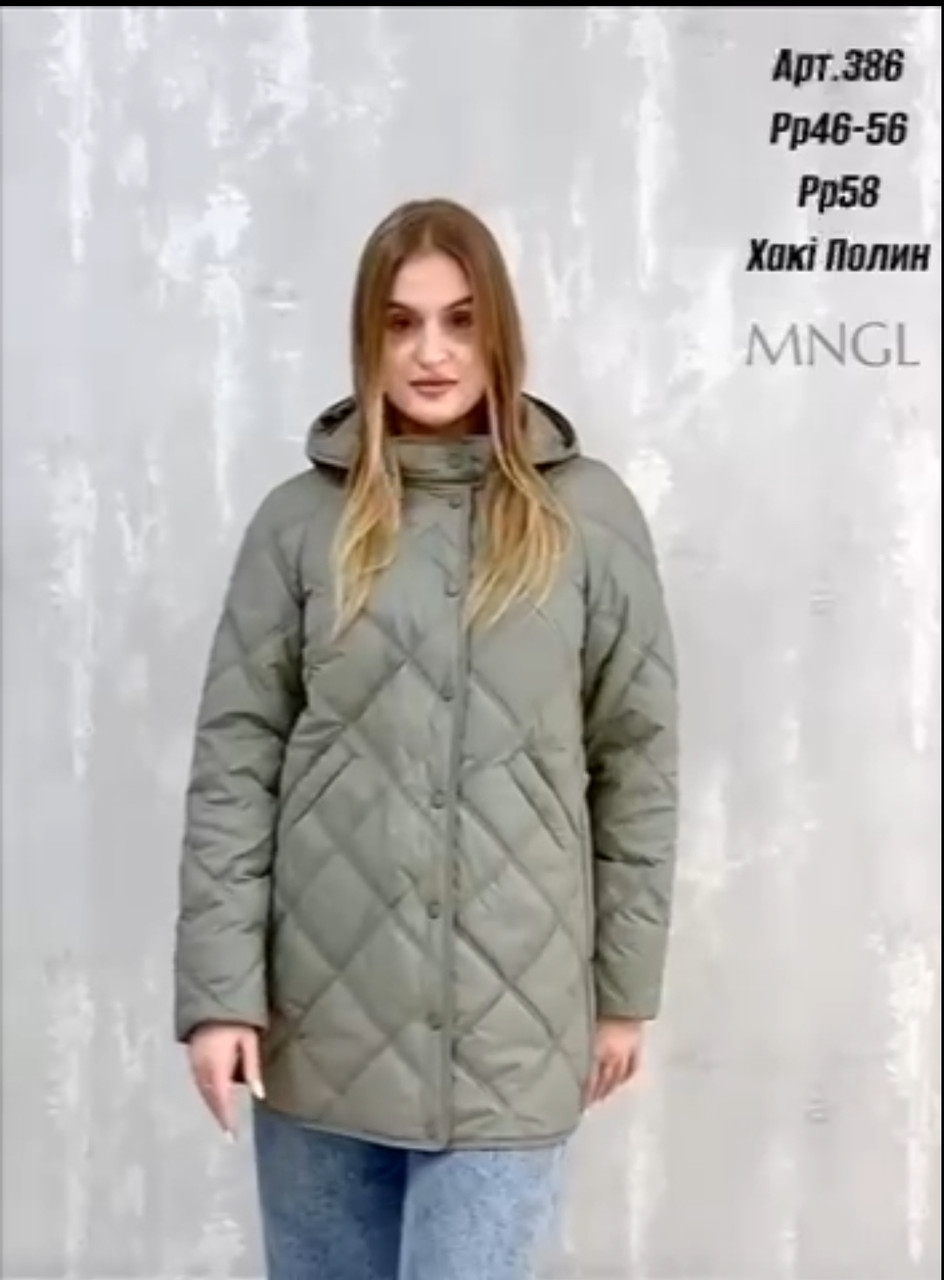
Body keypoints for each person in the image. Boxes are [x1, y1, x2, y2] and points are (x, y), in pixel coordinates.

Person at [172, 196, 680, 1280]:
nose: (432, 352)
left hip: (513, 1034)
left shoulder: (588, 519)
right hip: (318, 1030)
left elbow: (635, 760)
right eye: (400, 324)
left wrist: (624, 989)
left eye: (459, 320)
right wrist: (219, 996)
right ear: (368, 338)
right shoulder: (298, 524)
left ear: (499, 331)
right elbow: (235, 763)